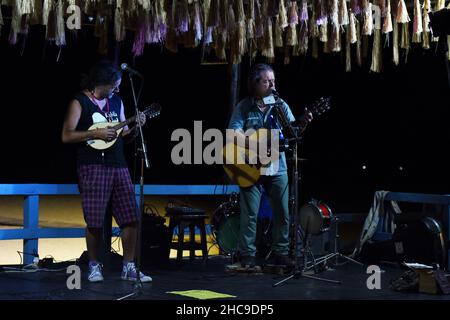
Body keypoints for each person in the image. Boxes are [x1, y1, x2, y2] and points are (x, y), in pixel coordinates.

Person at [61, 60, 152, 282]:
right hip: (92, 166)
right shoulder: (80, 101)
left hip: (118, 165)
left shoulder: (117, 102)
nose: (117, 90)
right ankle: (94, 265)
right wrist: (94, 134)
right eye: (114, 86)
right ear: (102, 83)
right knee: (94, 219)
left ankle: (128, 266)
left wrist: (136, 126)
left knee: (131, 216)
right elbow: (66, 135)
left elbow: (124, 133)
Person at [228, 63, 313, 268]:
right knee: (250, 214)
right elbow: (233, 134)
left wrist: (304, 122)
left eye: (273, 81)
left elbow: (293, 133)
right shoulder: (244, 107)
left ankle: (281, 253)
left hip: (277, 167)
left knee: (282, 212)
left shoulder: (280, 105)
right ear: (255, 84)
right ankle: (247, 254)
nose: (272, 85)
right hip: (251, 166)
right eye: (267, 81)